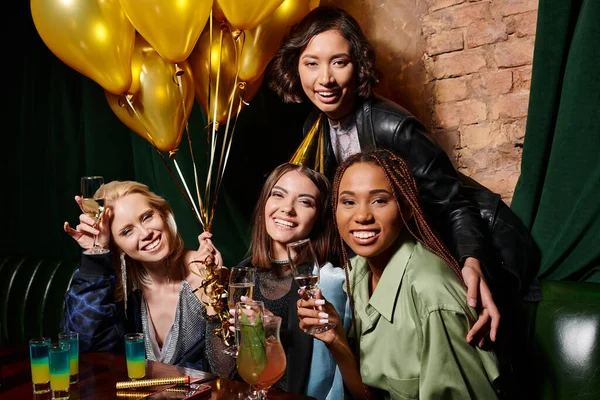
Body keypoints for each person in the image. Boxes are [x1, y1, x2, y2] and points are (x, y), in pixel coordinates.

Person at [269, 5, 542, 346]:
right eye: (312, 63)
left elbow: (453, 204)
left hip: (479, 240)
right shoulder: (316, 126)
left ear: (359, 66)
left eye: (339, 62)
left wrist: (473, 263)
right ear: (296, 65)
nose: (325, 78)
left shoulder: (394, 126)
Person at [298, 149, 501, 399]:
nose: (362, 216)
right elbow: (368, 395)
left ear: (405, 208)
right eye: (349, 202)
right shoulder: (358, 272)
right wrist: (335, 338)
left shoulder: (432, 295)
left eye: (380, 200)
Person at [198, 163, 350, 399]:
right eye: (278, 195)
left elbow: (330, 382)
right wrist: (212, 294)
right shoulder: (244, 272)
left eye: (305, 201)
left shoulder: (325, 282)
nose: (287, 209)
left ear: (318, 218)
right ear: (264, 204)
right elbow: (224, 372)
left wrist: (269, 330)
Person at [61, 180, 227, 371]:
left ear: (164, 215)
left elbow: (227, 370)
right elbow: (87, 346)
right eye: (126, 231)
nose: (145, 233)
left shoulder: (206, 272)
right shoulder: (124, 290)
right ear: (117, 247)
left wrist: (214, 293)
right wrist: (95, 255)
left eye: (147, 217)